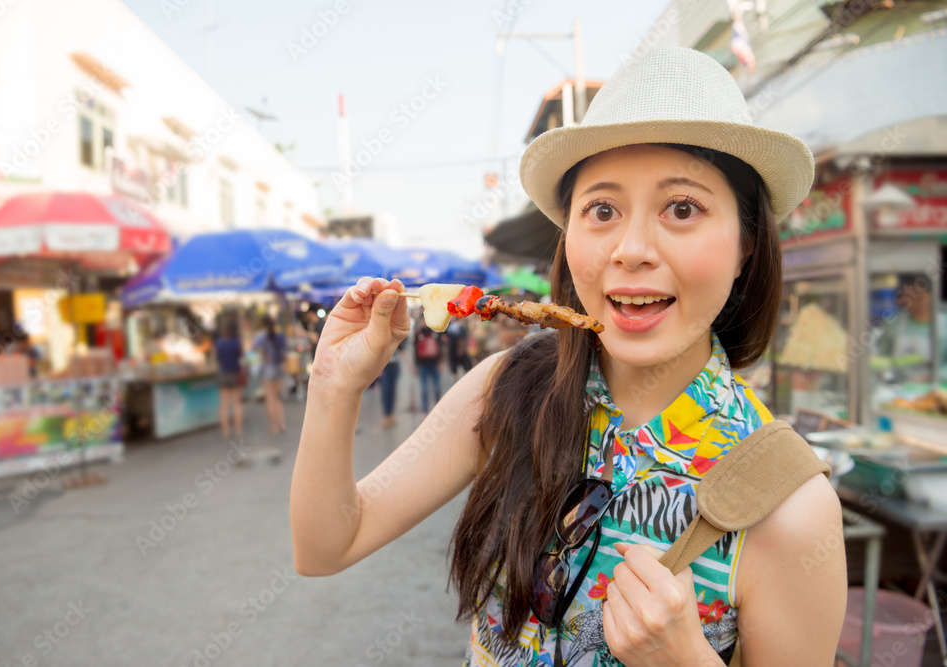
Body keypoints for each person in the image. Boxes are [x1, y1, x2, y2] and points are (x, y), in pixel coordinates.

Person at [291, 48, 845, 666]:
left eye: (682, 209)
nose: (631, 249)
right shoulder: (506, 388)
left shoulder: (791, 504)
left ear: (746, 244)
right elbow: (326, 545)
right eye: (602, 210)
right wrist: (333, 385)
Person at [253, 314, 287, 435]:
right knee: (278, 398)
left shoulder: (261, 337)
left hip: (267, 369)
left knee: (270, 399)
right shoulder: (279, 336)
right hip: (278, 368)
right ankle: (282, 423)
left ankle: (274, 426)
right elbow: (284, 353)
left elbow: (253, 350)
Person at [213, 320, 243, 440]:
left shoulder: (219, 343)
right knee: (236, 403)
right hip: (235, 373)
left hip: (223, 373)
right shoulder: (237, 343)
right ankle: (238, 429)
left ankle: (225, 430)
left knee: (224, 404)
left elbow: (217, 359)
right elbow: (241, 359)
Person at [413, 319, 443, 413]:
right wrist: (416, 365)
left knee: (437, 387)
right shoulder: (418, 334)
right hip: (423, 364)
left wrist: (440, 362)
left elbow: (440, 347)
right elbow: (415, 350)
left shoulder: (435, 332)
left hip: (434, 362)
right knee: (424, 388)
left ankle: (438, 406)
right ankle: (425, 411)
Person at [378, 339, 404, 428]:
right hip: (383, 366)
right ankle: (386, 414)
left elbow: (402, 348)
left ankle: (390, 415)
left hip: (394, 365)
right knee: (386, 389)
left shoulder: (396, 336)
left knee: (392, 390)